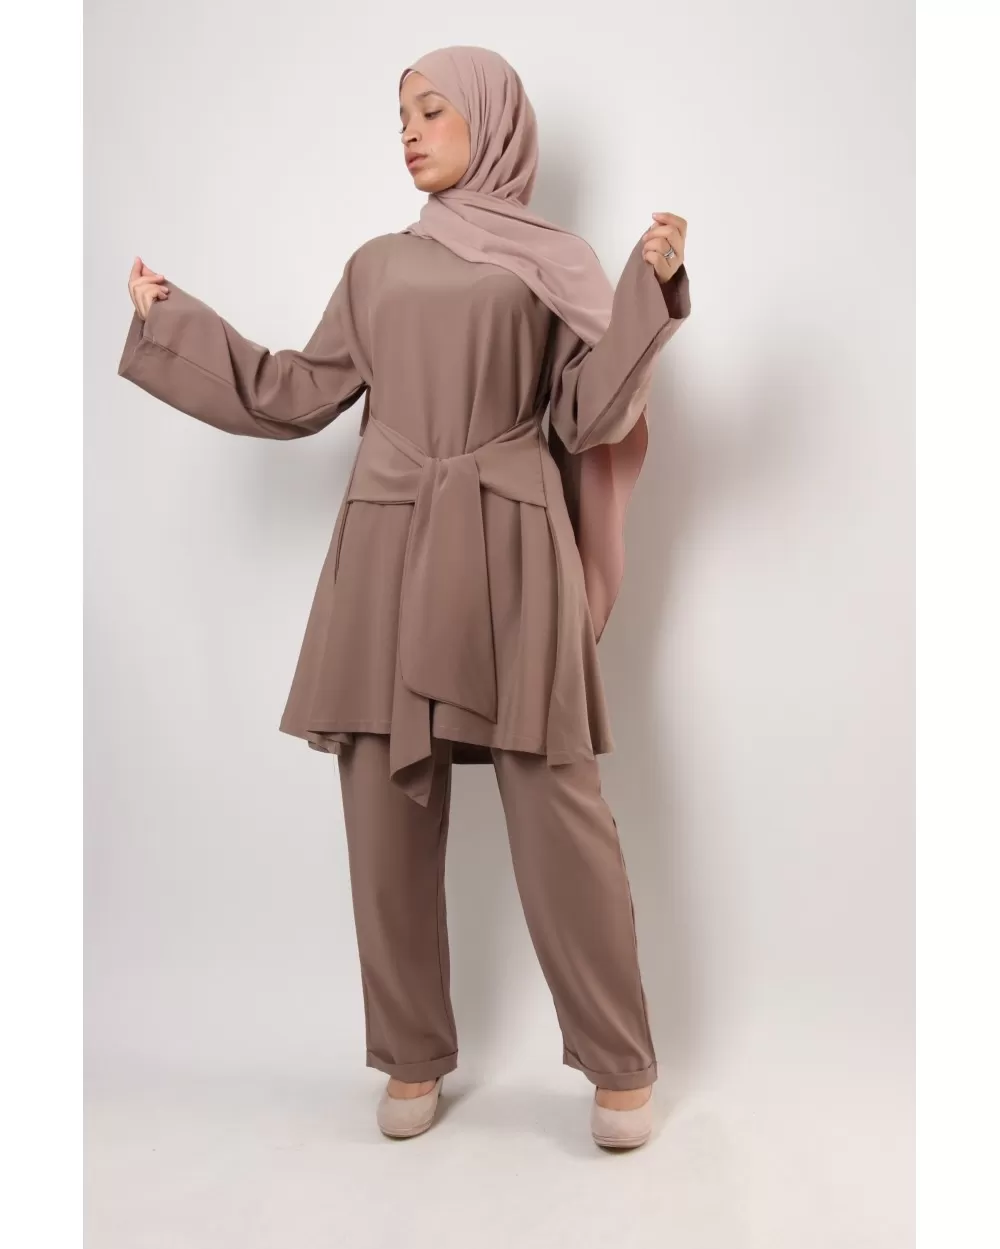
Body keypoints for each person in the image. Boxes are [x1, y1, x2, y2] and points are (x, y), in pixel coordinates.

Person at [117, 44, 691, 1150]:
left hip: (511, 537)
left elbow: (587, 415)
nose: (411, 130)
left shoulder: (554, 262)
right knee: (383, 808)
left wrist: (645, 290)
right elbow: (296, 391)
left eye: (433, 110)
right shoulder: (376, 265)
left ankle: (619, 1061)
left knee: (557, 804)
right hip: (388, 541)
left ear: (493, 121)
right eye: (401, 116)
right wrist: (172, 320)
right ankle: (410, 1052)